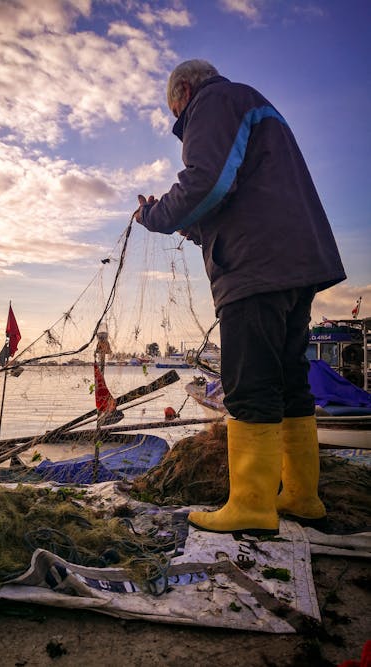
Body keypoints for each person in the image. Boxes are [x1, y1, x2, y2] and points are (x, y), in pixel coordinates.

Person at [135, 59, 346, 535]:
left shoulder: (214, 100)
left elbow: (206, 182)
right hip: (294, 260)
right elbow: (232, 193)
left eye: (175, 113)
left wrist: (155, 215)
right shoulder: (254, 105)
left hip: (255, 265)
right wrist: (190, 223)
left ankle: (251, 504)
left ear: (185, 90)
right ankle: (301, 495)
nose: (179, 125)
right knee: (289, 379)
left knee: (249, 382)